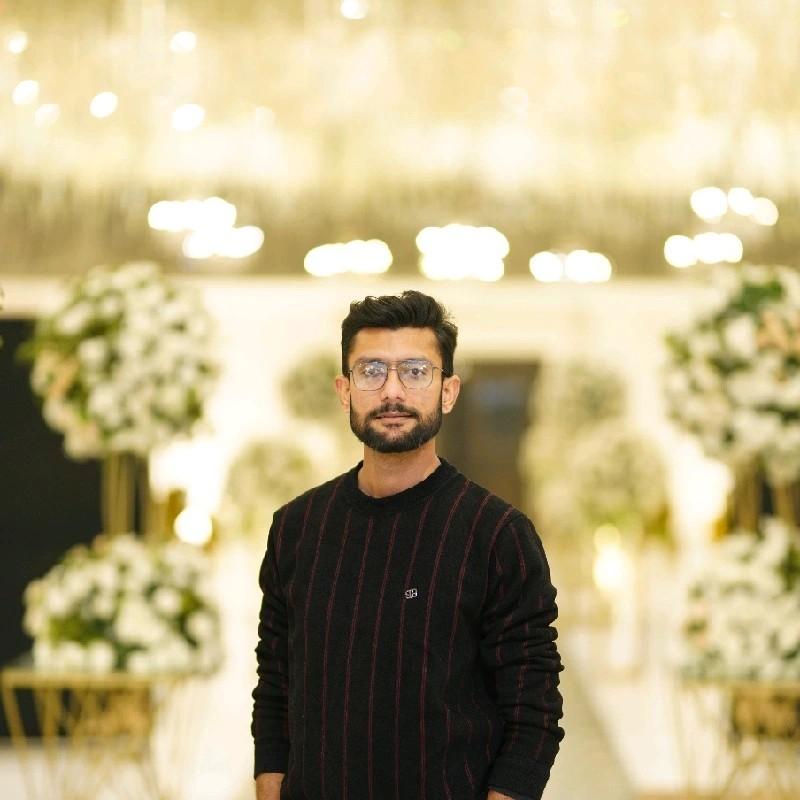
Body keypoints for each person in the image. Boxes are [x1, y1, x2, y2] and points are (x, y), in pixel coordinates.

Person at [252, 290, 564, 800]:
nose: (392, 391)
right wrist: (269, 783)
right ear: (344, 390)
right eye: (371, 371)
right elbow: (275, 679)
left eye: (416, 371)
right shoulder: (297, 526)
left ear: (448, 391)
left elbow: (535, 710)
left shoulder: (496, 534)